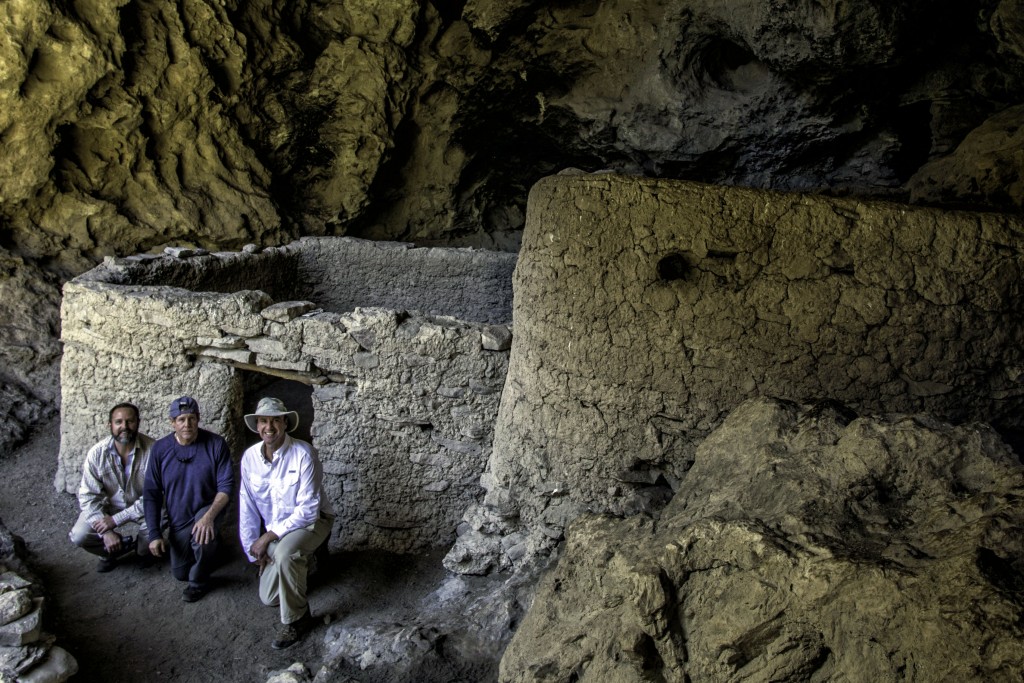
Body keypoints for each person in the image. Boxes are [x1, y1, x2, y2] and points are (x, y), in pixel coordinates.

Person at [239, 396, 334, 649]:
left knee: (284, 552)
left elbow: (308, 510)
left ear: (285, 423)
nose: (268, 427)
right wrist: (253, 550)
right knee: (269, 597)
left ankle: (298, 620)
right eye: (263, 421)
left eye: (275, 421)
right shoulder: (249, 458)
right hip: (279, 529)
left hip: (314, 521)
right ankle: (301, 564)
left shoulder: (303, 453)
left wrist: (268, 538)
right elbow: (246, 505)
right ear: (256, 425)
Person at [143, 396, 234, 602]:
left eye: (191, 418)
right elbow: (151, 493)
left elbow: (226, 487)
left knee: (202, 535)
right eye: (181, 419)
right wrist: (154, 533)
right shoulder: (160, 449)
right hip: (179, 517)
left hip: (208, 509)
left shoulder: (216, 444)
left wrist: (209, 516)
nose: (187, 424)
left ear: (198, 419)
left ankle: (198, 582)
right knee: (180, 573)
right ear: (172, 422)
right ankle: (213, 550)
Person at [69, 402, 154, 573]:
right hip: (110, 507)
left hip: (143, 506)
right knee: (79, 535)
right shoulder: (97, 453)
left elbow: (155, 496)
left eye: (130, 421)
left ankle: (142, 551)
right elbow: (88, 497)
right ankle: (112, 551)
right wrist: (106, 532)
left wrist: (116, 520)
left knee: (158, 520)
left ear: (138, 422)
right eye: (119, 422)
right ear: (110, 425)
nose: (124, 427)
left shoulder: (153, 450)